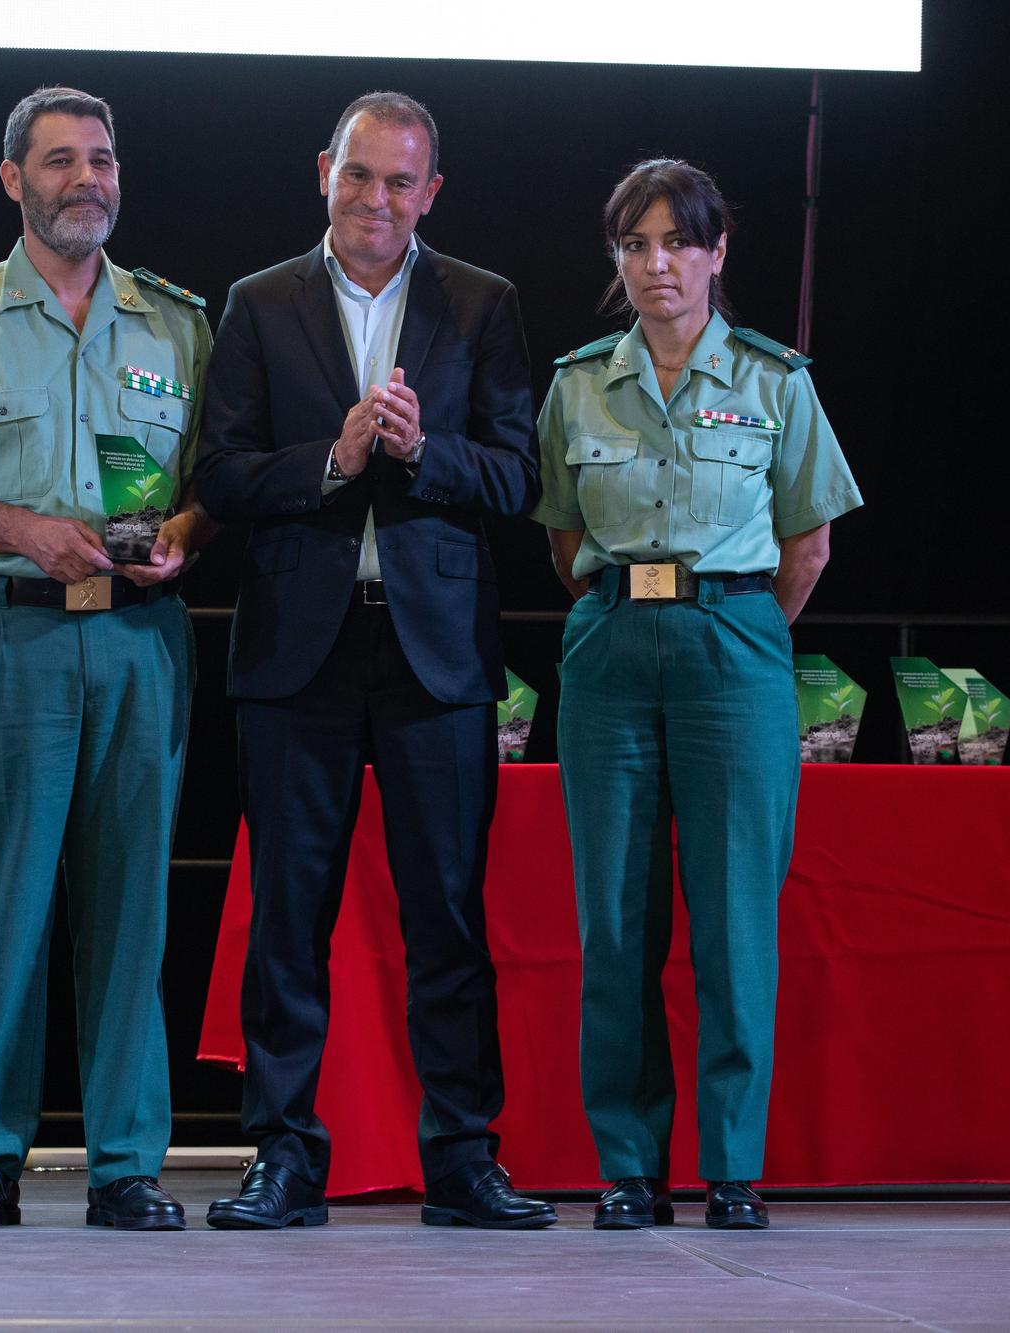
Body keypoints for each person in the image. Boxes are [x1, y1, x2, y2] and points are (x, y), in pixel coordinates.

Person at [0, 85, 215, 1232]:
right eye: (60, 161)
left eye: (102, 159)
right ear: (14, 180)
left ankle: (124, 1163)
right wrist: (22, 530)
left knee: (130, 912)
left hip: (138, 637)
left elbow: (213, 485)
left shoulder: (173, 322)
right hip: (3, 634)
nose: (87, 180)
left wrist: (180, 537)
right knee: (5, 904)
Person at [193, 91, 552, 1230]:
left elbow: (515, 479)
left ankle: (460, 1155)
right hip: (297, 650)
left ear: (429, 193)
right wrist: (337, 457)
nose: (377, 201)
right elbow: (223, 479)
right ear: (323, 174)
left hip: (432, 655)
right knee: (287, 918)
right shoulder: (256, 303)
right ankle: (283, 1154)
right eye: (360, 176)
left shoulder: (480, 302)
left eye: (401, 182)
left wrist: (422, 451)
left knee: (446, 915)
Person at [533, 159, 863, 1231]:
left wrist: (733, 624)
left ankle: (730, 1167)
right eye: (634, 244)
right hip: (612, 644)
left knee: (731, 921)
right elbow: (563, 538)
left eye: (677, 241)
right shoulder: (577, 381)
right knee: (613, 926)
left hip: (734, 647)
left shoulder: (774, 381)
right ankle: (629, 1167)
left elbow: (805, 544)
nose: (655, 264)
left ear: (717, 254)